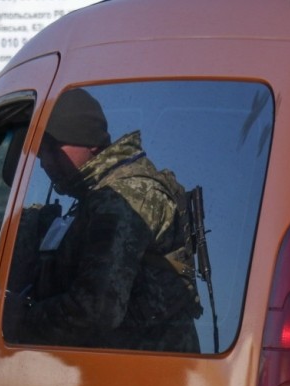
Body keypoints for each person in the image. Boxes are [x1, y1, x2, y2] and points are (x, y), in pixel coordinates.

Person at [17, 88, 202, 352]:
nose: (45, 163)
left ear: (90, 141)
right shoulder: (98, 196)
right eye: (40, 154)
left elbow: (96, 310)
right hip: (125, 372)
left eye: (53, 149)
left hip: (143, 377)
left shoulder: (122, 199)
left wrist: (18, 320)